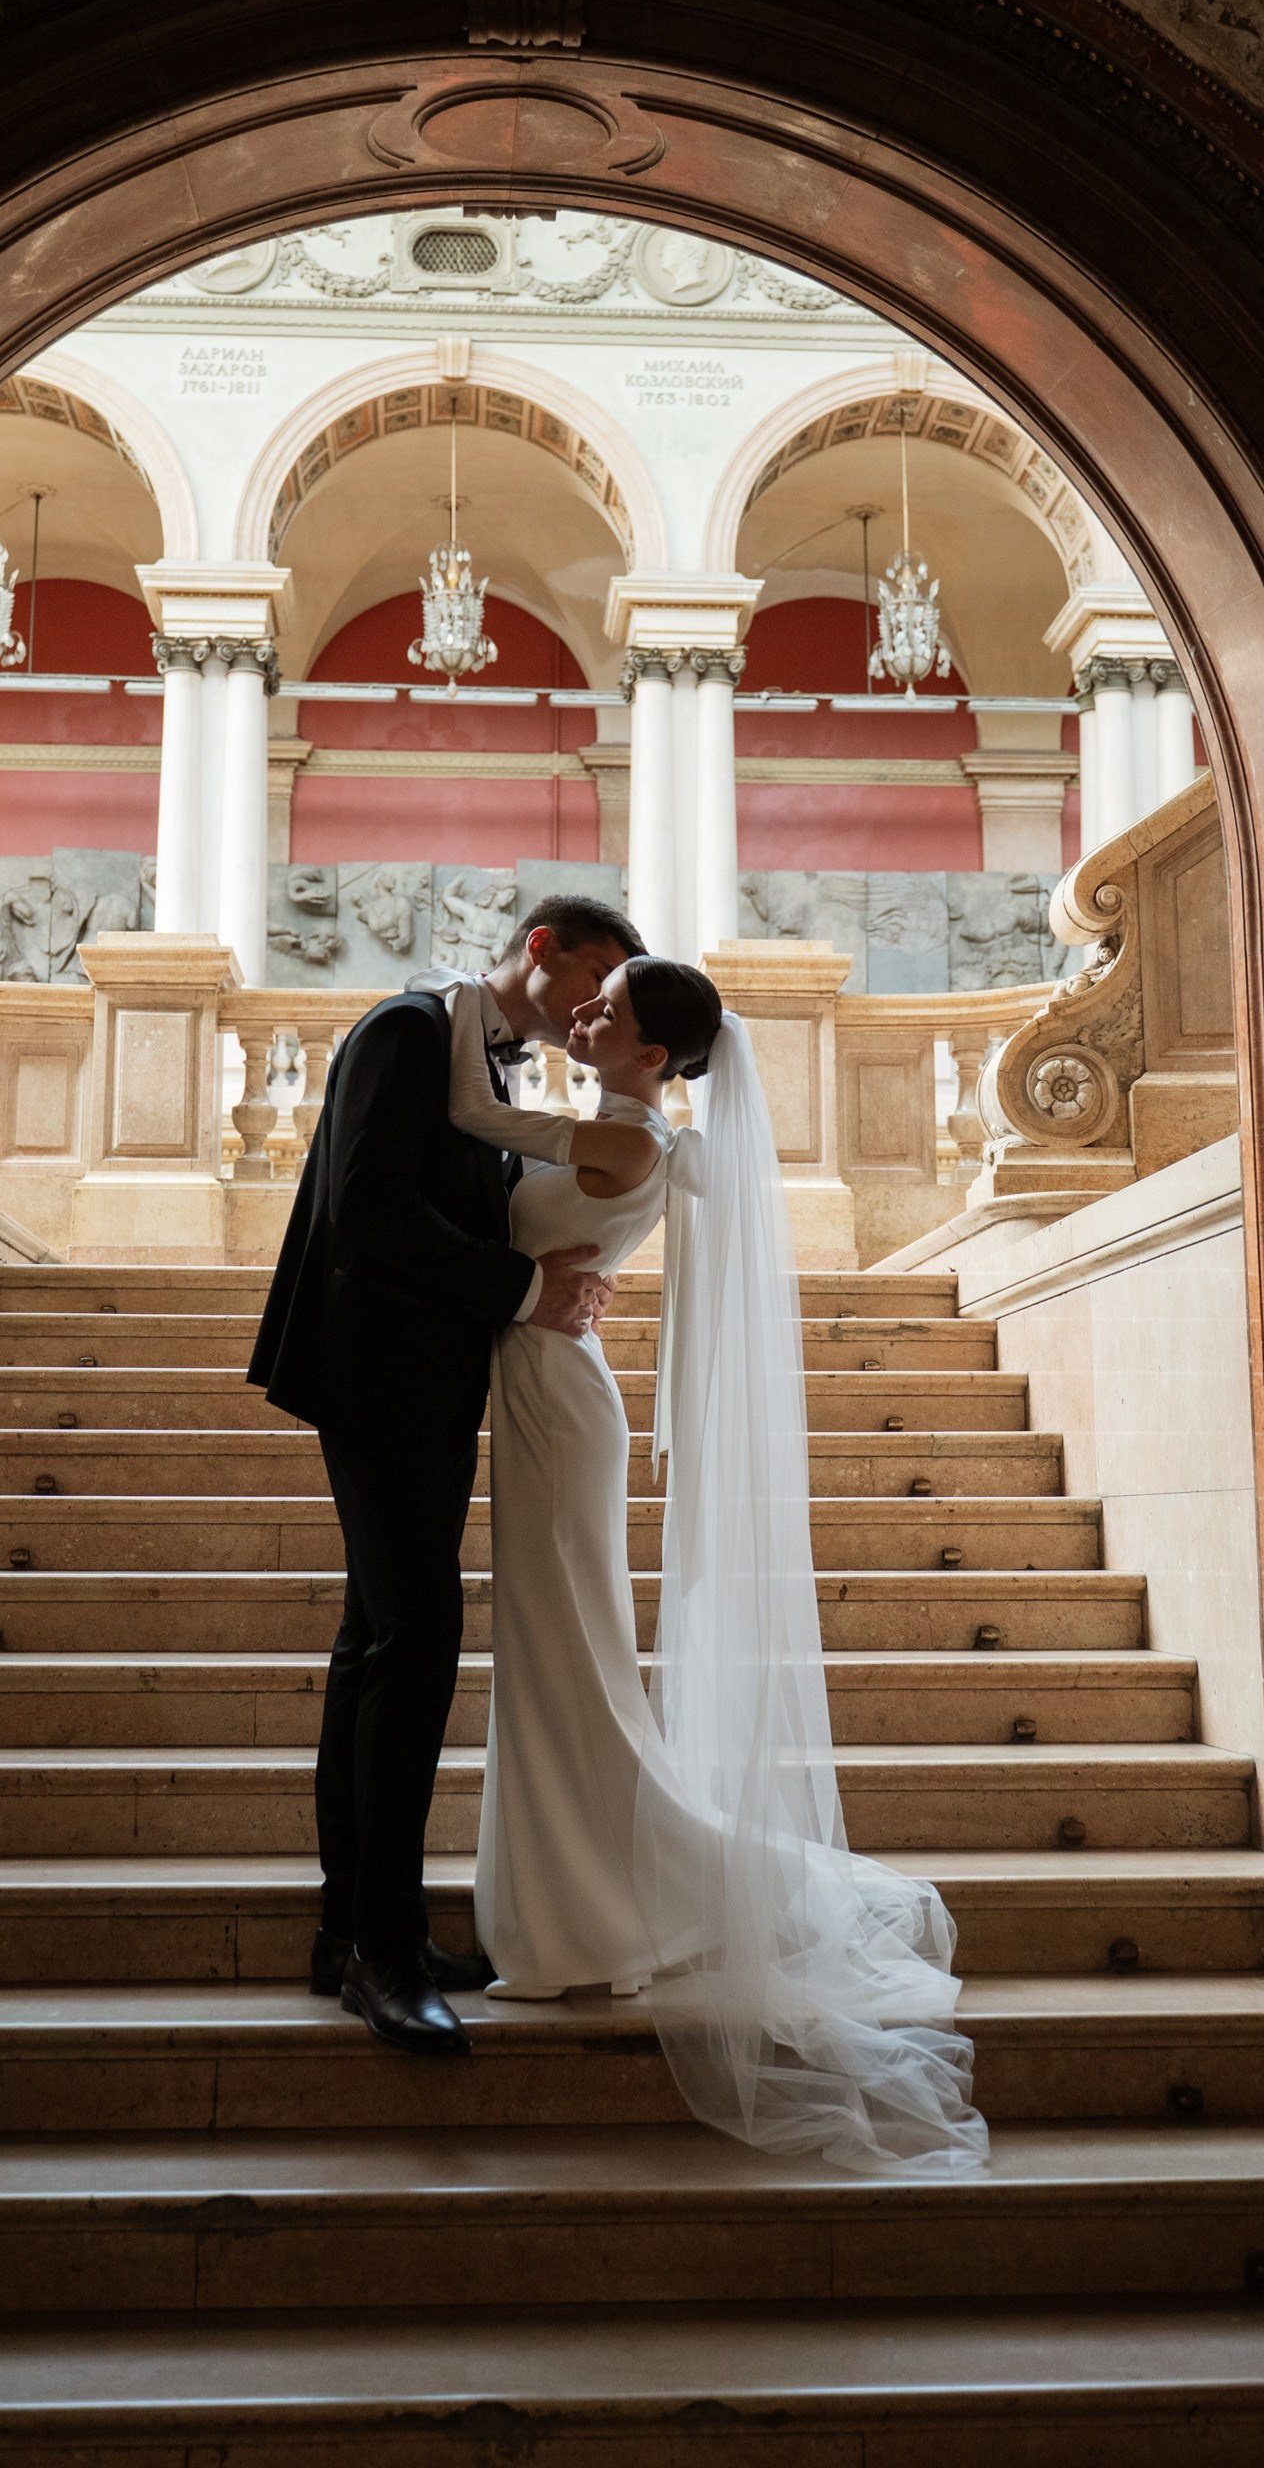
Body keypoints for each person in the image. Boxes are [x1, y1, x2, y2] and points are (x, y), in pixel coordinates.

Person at [443, 956, 987, 2177]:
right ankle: (588, 1901)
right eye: (584, 1004)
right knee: (555, 1656)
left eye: (606, 1008)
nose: (582, 1014)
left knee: (566, 1657)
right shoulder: (623, 1126)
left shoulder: (628, 1139)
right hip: (539, 1383)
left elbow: (474, 1114)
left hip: (557, 1397)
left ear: (651, 1050)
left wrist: (460, 1008)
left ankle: (602, 1908)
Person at [248, 893, 645, 2058]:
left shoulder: (494, 1068)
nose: (596, 1007)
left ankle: (360, 1933)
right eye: (595, 978)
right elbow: (365, 1209)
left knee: (379, 1638)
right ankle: (380, 1950)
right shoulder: (407, 1031)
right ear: (542, 949)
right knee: (414, 1638)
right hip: (371, 1368)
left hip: (426, 1377)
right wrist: (525, 1293)